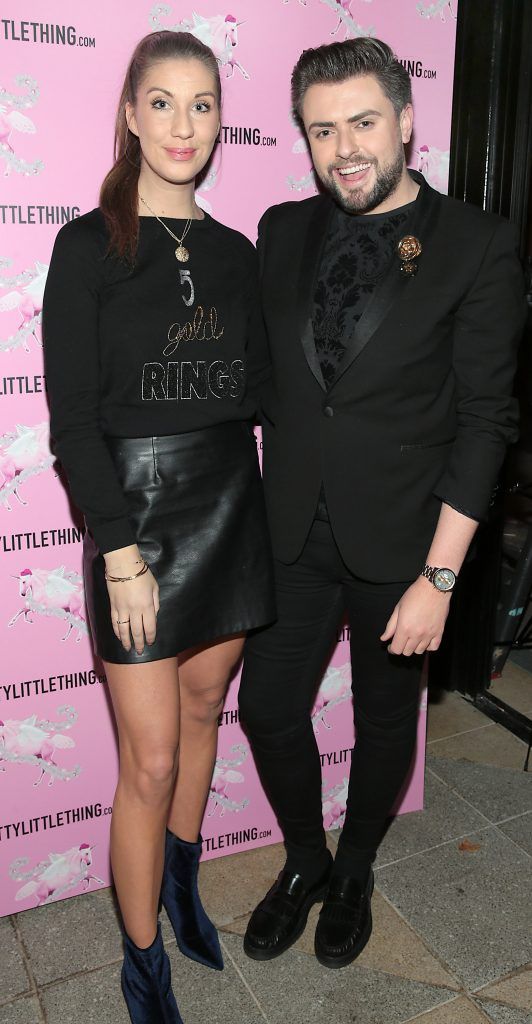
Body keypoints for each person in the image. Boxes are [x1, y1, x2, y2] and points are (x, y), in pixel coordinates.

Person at [239, 37, 525, 970]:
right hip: (292, 531)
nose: (344, 147)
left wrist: (441, 576)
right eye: (323, 130)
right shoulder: (281, 228)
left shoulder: (475, 244)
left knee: (384, 721)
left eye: (363, 121)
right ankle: (307, 860)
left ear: (406, 122)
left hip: (406, 540)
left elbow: (486, 421)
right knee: (268, 711)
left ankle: (356, 867)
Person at [43, 30, 275, 1022]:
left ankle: (182, 889)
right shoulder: (87, 244)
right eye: (164, 102)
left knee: (199, 715)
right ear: (132, 113)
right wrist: (122, 550)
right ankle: (144, 966)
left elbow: (259, 390)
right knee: (149, 758)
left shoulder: (234, 253)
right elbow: (72, 419)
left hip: (228, 499)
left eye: (203, 104)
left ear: (221, 121)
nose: (184, 124)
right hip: (135, 516)